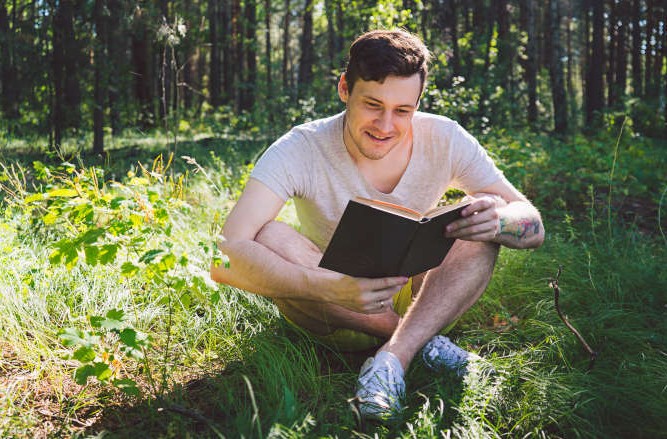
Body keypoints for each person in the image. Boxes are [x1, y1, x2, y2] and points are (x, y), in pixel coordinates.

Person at [210, 29, 544, 422]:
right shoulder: (300, 147)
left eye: (403, 110)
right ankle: (423, 344)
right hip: (328, 305)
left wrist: (499, 220)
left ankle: (394, 356)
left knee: (479, 221)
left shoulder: (445, 137)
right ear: (344, 89)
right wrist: (328, 286)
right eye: (372, 104)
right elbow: (225, 254)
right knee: (269, 234)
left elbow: (533, 224)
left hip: (421, 299)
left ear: (418, 104)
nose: (385, 125)